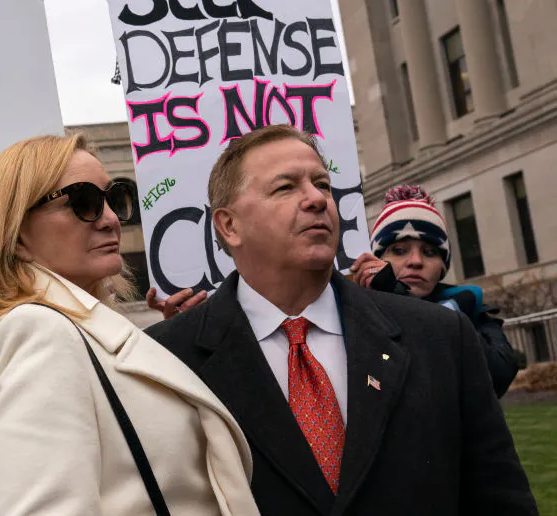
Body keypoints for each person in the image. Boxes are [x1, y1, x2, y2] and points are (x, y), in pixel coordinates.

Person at [146, 125, 537, 516]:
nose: (317, 199)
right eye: (286, 187)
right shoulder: (164, 361)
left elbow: (499, 498)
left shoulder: (440, 335)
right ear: (229, 225)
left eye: (322, 184)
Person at [0, 134, 259, 515]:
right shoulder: (38, 332)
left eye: (114, 199)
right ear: (16, 235)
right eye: (83, 202)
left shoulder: (75, 331)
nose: (111, 219)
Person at [349, 184, 519, 397]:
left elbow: (498, 376)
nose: (416, 261)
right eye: (399, 251)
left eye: (429, 252)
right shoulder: (357, 316)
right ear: (376, 260)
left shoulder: (472, 310)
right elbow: (371, 385)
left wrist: (400, 296)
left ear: (442, 268)